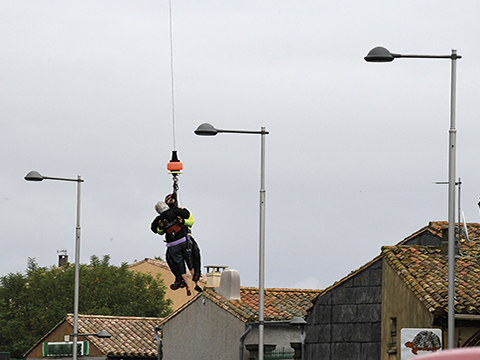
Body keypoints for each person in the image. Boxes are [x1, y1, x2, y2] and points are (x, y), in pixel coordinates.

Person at [150, 200, 192, 295]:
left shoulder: (159, 219)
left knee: (171, 259)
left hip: (175, 243)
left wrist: (161, 227)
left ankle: (179, 278)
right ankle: (184, 278)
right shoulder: (174, 211)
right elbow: (186, 214)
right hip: (184, 240)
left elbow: (153, 229)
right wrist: (181, 209)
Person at [164, 193, 203, 293]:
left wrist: (183, 221)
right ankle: (179, 278)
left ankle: (196, 273)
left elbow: (191, 221)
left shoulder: (182, 211)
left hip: (186, 238)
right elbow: (159, 230)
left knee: (194, 253)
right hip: (173, 242)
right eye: (168, 200)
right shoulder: (165, 216)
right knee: (170, 258)